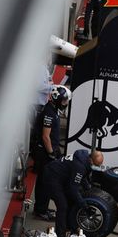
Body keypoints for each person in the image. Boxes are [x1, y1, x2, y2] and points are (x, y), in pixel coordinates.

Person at [40, 149, 104, 237]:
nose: (98, 166)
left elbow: (82, 177)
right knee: (63, 205)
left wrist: (89, 189)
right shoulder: (80, 166)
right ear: (91, 160)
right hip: (51, 177)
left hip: (60, 176)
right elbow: (73, 189)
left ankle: (69, 227)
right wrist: (84, 206)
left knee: (71, 201)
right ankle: (60, 235)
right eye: (97, 165)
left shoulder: (84, 158)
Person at [33, 86, 71, 220]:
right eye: (65, 100)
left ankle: (42, 207)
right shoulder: (49, 113)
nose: (66, 103)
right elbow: (45, 136)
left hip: (48, 151)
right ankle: (40, 210)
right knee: (45, 181)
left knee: (46, 181)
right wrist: (51, 153)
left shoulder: (53, 110)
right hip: (44, 153)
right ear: (59, 99)